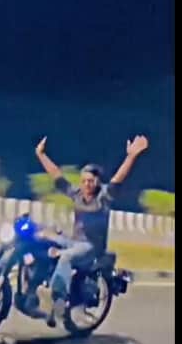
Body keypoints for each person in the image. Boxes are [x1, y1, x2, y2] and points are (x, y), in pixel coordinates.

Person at [35, 134, 149, 327]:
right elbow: (56, 175)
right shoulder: (77, 194)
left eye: (91, 181)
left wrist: (131, 156)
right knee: (39, 236)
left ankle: (58, 301)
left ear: (97, 182)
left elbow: (118, 179)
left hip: (91, 247)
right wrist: (41, 154)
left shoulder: (104, 197)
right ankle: (31, 286)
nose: (87, 184)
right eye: (84, 181)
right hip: (74, 240)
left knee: (65, 257)